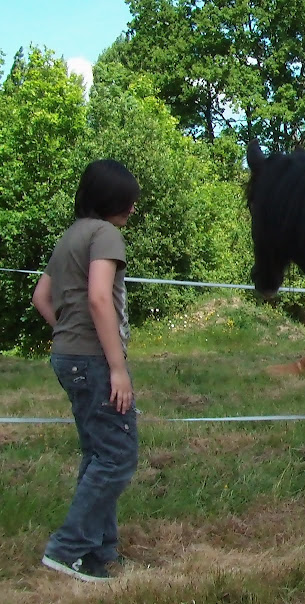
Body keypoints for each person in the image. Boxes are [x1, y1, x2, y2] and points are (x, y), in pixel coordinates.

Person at [32, 159, 140, 582]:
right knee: (117, 455)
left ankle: (100, 552)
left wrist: (67, 334)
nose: (132, 210)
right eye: (128, 202)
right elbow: (99, 298)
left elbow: (41, 296)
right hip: (95, 360)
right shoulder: (105, 234)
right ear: (113, 201)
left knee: (99, 453)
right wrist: (117, 368)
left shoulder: (70, 236)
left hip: (69, 356)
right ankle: (67, 549)